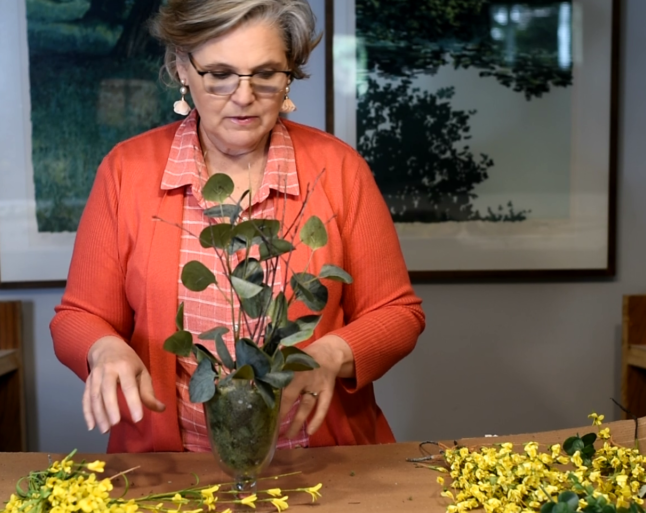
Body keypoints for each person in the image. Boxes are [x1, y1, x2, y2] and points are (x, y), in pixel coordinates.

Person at [50, 0, 425, 453]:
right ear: (182, 69)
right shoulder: (126, 170)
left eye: (266, 74)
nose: (244, 96)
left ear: (289, 75)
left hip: (323, 469)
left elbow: (399, 314)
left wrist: (331, 354)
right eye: (219, 73)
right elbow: (79, 317)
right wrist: (102, 349)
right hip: (169, 477)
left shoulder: (340, 170)